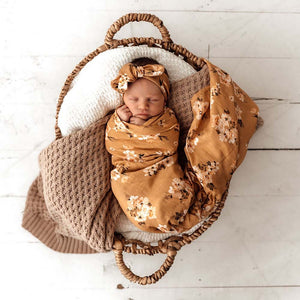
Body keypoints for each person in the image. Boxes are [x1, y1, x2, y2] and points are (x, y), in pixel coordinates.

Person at [105, 57, 197, 233]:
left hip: (161, 169)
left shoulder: (167, 118)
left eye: (152, 100)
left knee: (169, 191)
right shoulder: (118, 119)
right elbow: (112, 145)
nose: (142, 106)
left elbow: (170, 144)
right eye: (133, 99)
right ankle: (146, 217)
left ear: (164, 100)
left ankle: (168, 213)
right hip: (130, 172)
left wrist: (144, 131)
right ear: (123, 98)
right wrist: (122, 124)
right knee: (121, 185)